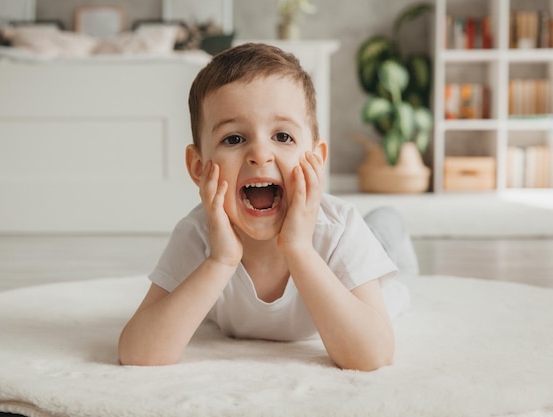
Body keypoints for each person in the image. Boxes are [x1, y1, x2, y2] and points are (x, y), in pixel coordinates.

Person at [118, 43, 417, 371]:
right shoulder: (199, 235)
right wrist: (220, 260)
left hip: (360, 255)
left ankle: (390, 225)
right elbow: (137, 354)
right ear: (199, 168)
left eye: (283, 137)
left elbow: (372, 357)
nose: (260, 154)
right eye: (233, 139)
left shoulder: (340, 229)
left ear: (316, 161)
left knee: (383, 230)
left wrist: (299, 250)